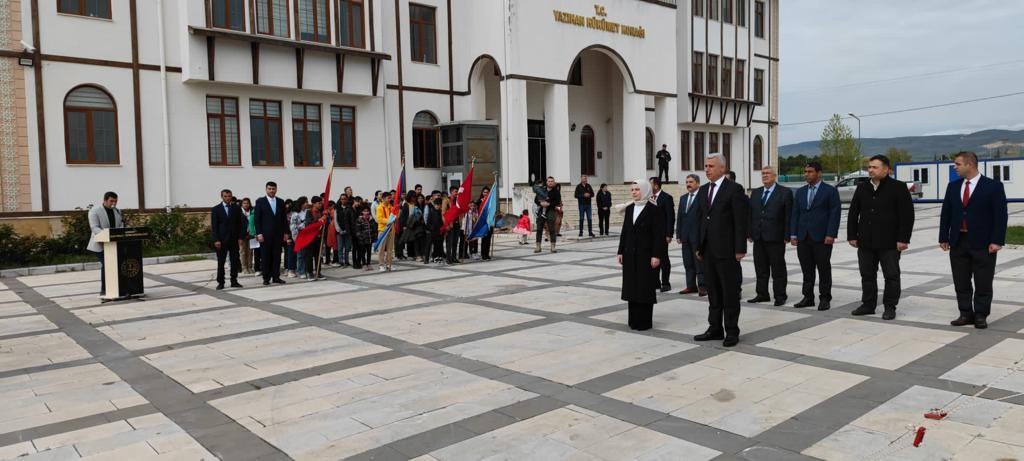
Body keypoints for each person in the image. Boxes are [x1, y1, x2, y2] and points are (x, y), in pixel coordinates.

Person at [940, 151, 1008, 329]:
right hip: (958, 241)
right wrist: (943, 237)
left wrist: (997, 240)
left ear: (970, 164)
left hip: (983, 243)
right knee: (961, 280)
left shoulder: (993, 186)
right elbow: (946, 213)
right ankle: (965, 314)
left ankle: (980, 314)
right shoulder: (953, 186)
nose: (955, 167)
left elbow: (1000, 216)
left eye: (957, 164)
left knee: (983, 281)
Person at [848, 155, 915, 320]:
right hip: (865, 241)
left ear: (886, 169)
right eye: (869, 167)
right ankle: (868, 304)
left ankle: (890, 306)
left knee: (891, 275)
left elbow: (907, 216)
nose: (870, 170)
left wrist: (903, 239)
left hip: (890, 242)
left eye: (875, 167)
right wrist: (852, 235)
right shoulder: (862, 187)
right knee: (867, 275)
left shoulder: (898, 188)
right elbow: (853, 213)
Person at [694, 153, 749, 347]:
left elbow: (740, 221)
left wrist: (740, 248)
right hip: (708, 251)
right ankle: (715, 328)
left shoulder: (734, 189)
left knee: (729, 292)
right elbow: (702, 219)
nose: (707, 169)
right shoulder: (702, 191)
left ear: (722, 169)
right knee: (713, 292)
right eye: (705, 165)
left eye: (710, 166)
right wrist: (699, 246)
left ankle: (732, 331)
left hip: (727, 251)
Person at [790, 162, 841, 311]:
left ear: (819, 173)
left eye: (810, 171)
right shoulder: (800, 192)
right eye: (805, 171)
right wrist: (793, 234)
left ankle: (825, 298)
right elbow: (795, 214)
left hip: (822, 237)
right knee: (807, 269)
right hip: (803, 237)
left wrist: (831, 234)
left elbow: (834, 214)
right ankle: (808, 297)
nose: (806, 174)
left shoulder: (830, 191)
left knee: (823, 268)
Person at [617, 179, 668, 331]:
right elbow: (625, 232)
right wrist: (620, 251)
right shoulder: (630, 208)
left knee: (644, 287)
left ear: (645, 190)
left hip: (646, 256)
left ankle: (644, 322)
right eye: (632, 190)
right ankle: (633, 320)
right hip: (630, 255)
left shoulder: (654, 209)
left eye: (637, 189)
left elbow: (658, 235)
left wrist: (656, 255)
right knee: (632, 287)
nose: (634, 192)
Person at [748, 166, 793, 306]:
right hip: (759, 237)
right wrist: (749, 232)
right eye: (763, 173)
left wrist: (788, 235)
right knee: (760, 268)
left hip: (776, 237)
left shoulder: (785, 192)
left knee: (778, 268)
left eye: (768, 173)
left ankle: (780, 295)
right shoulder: (755, 193)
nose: (765, 175)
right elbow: (751, 215)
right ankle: (762, 294)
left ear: (775, 176)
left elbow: (788, 216)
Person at [253, 182, 291, 285]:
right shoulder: (260, 201)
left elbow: (284, 219)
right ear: (266, 189)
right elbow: (257, 219)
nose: (271, 191)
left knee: (277, 256)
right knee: (265, 257)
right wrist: (259, 233)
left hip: (278, 235)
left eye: (273, 189)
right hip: (265, 235)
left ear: (276, 189)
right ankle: (266, 278)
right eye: (269, 189)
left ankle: (276, 277)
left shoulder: (280, 201)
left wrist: (286, 232)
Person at [87, 191, 123, 296]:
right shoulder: (95, 211)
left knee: (116, 265)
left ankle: (117, 287)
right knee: (107, 264)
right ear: (105, 200)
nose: (114, 203)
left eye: (115, 201)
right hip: (100, 244)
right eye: (111, 201)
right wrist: (107, 235)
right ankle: (104, 290)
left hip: (114, 243)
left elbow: (120, 224)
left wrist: (120, 232)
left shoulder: (117, 211)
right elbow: (94, 227)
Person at [676, 174, 705, 296]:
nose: (688, 184)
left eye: (691, 182)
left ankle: (703, 287)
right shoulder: (683, 198)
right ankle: (690, 286)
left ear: (697, 183)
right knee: (688, 263)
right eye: (687, 182)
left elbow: (704, 219)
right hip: (685, 237)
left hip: (698, 237)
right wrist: (678, 234)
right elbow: (680, 217)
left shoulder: (703, 197)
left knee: (700, 264)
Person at [211, 189, 244, 290]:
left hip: (234, 239)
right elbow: (214, 226)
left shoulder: (236, 208)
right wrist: (216, 239)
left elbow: (241, 223)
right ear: (221, 196)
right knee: (221, 262)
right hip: (221, 240)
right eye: (225, 196)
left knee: (234, 261)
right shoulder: (216, 209)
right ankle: (221, 282)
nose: (227, 198)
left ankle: (234, 281)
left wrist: (240, 237)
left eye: (229, 196)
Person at [650, 177, 675, 292]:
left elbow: (670, 217)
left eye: (650, 184)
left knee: (663, 258)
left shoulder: (667, 198)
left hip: (662, 234)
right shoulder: (648, 198)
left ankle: (666, 282)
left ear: (656, 186)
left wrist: (669, 234)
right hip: (650, 235)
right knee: (653, 258)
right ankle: (655, 282)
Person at [535, 176, 562, 253]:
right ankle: (538, 247)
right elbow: (535, 199)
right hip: (541, 210)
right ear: (546, 182)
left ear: (553, 183)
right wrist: (541, 203)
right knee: (539, 228)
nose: (550, 182)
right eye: (549, 181)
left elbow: (557, 202)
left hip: (550, 211)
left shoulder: (556, 192)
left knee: (552, 229)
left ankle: (553, 247)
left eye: (551, 181)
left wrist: (548, 204)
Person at [289, 197, 309, 278]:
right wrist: (296, 238)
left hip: (308, 236)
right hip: (299, 237)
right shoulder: (295, 214)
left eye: (307, 202)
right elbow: (293, 227)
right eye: (305, 202)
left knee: (306, 254)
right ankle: (301, 271)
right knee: (300, 255)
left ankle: (307, 269)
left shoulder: (308, 212)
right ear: (301, 203)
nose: (307, 203)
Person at [376, 192, 395, 272]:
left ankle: (389, 264)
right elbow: (379, 219)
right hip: (383, 231)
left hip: (391, 230)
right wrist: (389, 221)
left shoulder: (391, 207)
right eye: (388, 198)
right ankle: (381, 265)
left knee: (390, 249)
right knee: (381, 249)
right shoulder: (379, 207)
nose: (390, 199)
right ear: (383, 199)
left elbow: (395, 216)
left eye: (390, 198)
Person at [336, 195, 356, 267]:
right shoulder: (337, 209)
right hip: (339, 231)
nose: (343, 200)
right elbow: (336, 221)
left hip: (348, 231)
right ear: (340, 200)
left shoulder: (350, 208)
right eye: (342, 199)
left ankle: (346, 261)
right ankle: (341, 261)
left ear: (347, 200)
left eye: (345, 199)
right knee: (340, 247)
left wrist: (349, 230)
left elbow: (352, 220)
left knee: (347, 247)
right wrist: (339, 230)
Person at [423, 197, 443, 264]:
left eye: (438, 205)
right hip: (431, 231)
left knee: (437, 245)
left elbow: (441, 221)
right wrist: (430, 228)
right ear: (434, 205)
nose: (437, 206)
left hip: (438, 231)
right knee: (428, 245)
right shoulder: (431, 211)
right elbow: (428, 222)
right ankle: (426, 258)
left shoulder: (441, 212)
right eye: (436, 205)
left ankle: (435, 257)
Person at [239, 198, 255, 275]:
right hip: (242, 235)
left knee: (250, 252)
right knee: (242, 252)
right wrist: (239, 237)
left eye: (247, 203)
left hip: (251, 235)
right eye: (244, 203)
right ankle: (244, 267)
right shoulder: (239, 213)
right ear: (242, 204)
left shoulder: (252, 212)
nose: (246, 204)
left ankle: (250, 267)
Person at [479, 186, 494, 260]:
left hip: (489, 223)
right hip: (483, 223)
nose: (486, 193)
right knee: (484, 239)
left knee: (488, 239)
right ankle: (483, 254)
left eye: (487, 192)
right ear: (482, 193)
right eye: (484, 192)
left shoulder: (491, 202)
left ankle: (487, 254)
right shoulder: (480, 201)